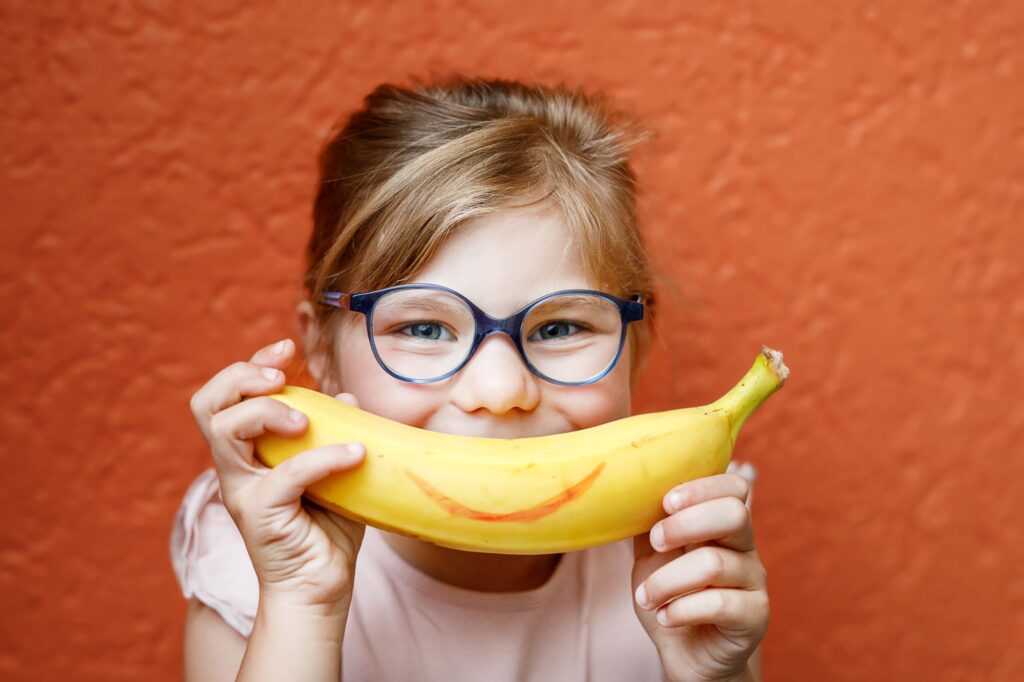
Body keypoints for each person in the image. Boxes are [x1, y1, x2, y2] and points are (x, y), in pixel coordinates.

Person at [172, 75, 768, 681]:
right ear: (320, 350)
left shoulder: (685, 562)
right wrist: (302, 606)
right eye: (425, 329)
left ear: (636, 345)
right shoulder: (261, 571)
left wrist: (714, 675)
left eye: (560, 328)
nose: (501, 391)